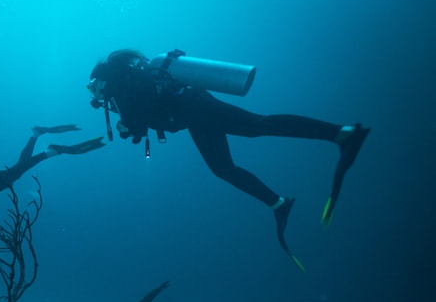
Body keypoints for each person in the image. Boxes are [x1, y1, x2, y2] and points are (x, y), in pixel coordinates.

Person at [87, 49, 370, 270]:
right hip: (194, 113)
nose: (94, 94)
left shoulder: (124, 87)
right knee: (223, 167)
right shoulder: (127, 85)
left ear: (101, 79)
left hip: (196, 109)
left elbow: (140, 115)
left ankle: (343, 135)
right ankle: (279, 204)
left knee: (259, 126)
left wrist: (128, 126)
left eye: (92, 87)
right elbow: (148, 112)